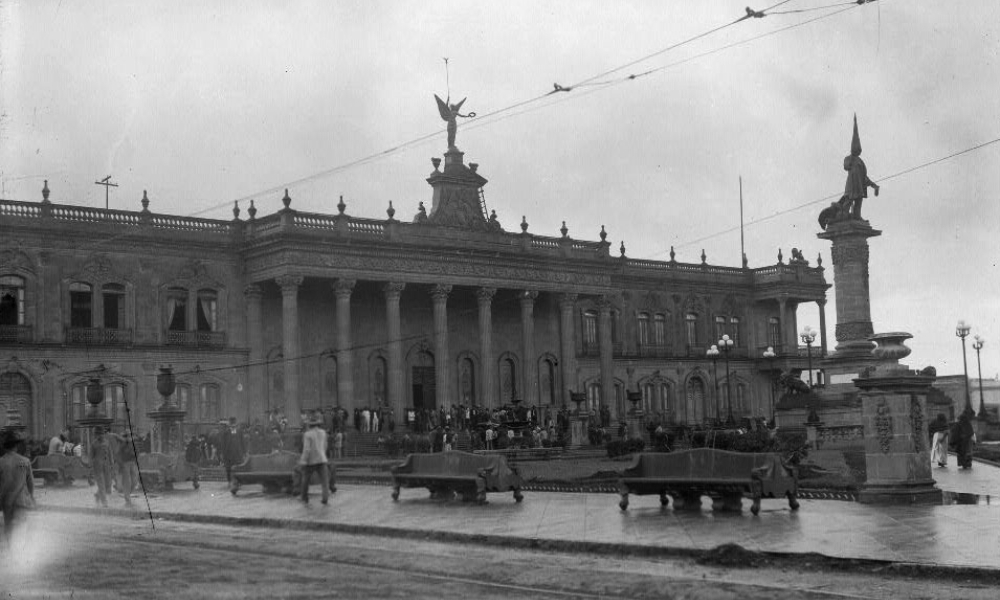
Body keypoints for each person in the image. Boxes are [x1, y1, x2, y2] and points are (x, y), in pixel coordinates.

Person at [0, 430, 35, 549]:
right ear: (16, 445)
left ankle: (12, 552)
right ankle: (19, 554)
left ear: (6, 446)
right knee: (21, 528)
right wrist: (31, 496)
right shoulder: (25, 461)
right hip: (22, 501)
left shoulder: (1, 462)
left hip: (6, 502)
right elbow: (31, 484)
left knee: (9, 528)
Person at [299, 416, 330, 505]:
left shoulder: (307, 434)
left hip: (311, 461)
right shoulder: (323, 433)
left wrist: (303, 461)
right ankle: (325, 498)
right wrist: (323, 454)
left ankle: (304, 497)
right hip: (322, 459)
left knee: (306, 479)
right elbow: (325, 446)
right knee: (324, 481)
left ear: (309, 425)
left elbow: (307, 449)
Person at [88, 427, 115, 507]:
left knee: (108, 484)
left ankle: (97, 495)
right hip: (98, 467)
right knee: (101, 484)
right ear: (96, 435)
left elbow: (110, 453)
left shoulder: (107, 442)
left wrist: (112, 464)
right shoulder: (94, 444)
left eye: (101, 433)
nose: (100, 435)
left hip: (106, 466)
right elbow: (90, 456)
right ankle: (104, 502)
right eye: (98, 434)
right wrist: (90, 467)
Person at [219, 418, 246, 483]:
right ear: (229, 426)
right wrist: (222, 453)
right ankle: (229, 481)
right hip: (228, 454)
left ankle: (238, 481)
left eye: (234, 426)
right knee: (228, 469)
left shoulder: (239, 432)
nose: (233, 427)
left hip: (238, 454)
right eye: (231, 426)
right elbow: (223, 444)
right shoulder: (225, 433)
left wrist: (244, 452)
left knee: (238, 467)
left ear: (236, 425)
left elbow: (243, 442)